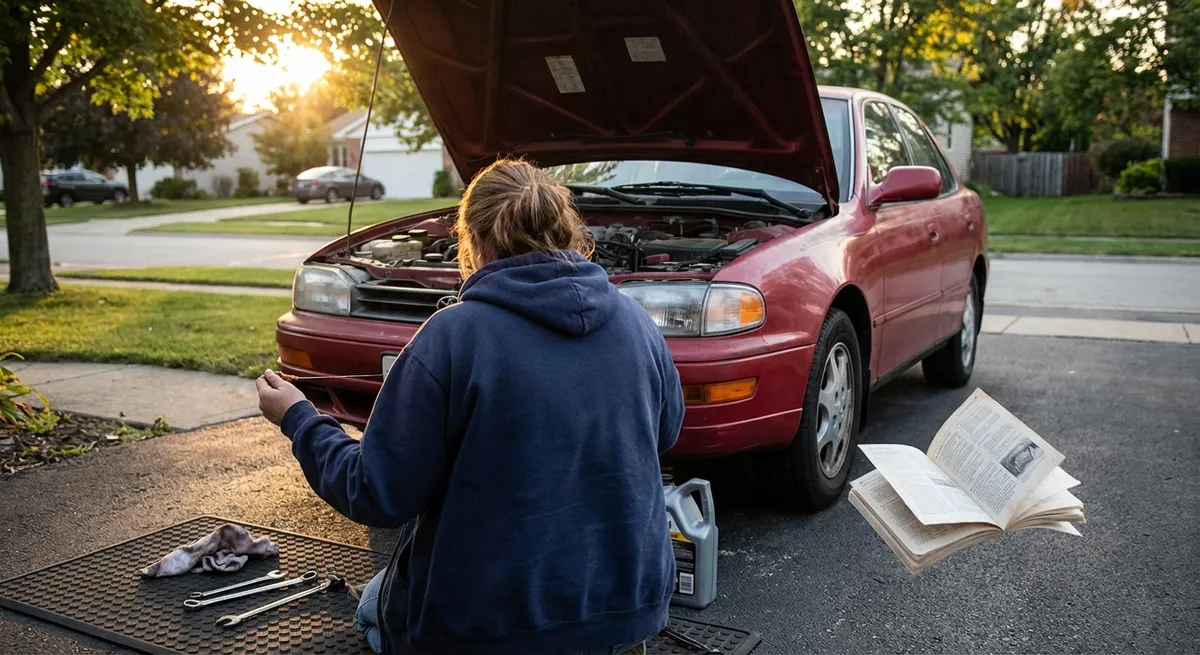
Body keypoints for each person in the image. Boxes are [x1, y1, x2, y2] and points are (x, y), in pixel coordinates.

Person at [256, 158, 685, 655]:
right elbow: (667, 431)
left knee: (372, 608)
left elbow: (376, 494)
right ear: (565, 230)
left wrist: (298, 417)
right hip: (627, 613)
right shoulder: (636, 321)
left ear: (474, 242)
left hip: (490, 627)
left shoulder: (454, 336)